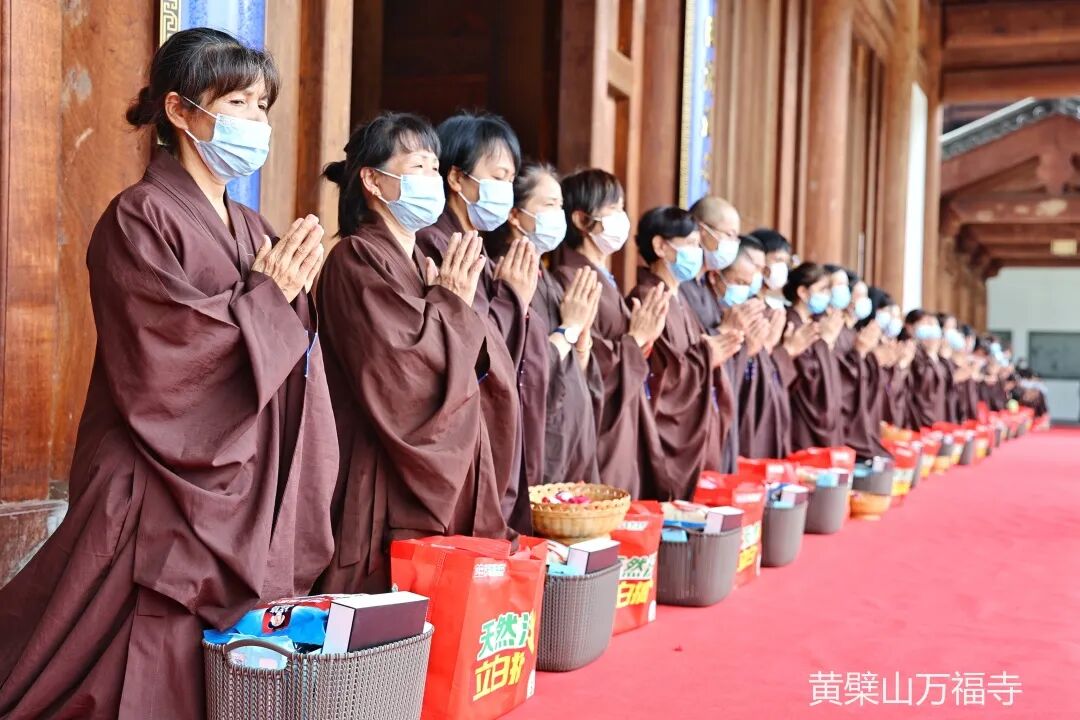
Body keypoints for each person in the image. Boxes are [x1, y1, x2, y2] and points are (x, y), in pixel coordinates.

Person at [0, 29, 337, 719]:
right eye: (238, 102)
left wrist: (281, 306)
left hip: (237, 480)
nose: (257, 123)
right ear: (181, 111)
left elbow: (290, 357)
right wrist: (267, 301)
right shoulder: (137, 218)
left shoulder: (253, 227)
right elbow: (168, 360)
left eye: (263, 106)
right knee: (129, 669)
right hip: (153, 482)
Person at [316, 112, 517, 593]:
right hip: (380, 471)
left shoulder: (423, 263)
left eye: (433, 168)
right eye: (417, 167)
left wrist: (450, 304)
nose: (431, 180)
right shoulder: (355, 258)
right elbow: (404, 377)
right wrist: (449, 304)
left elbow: (480, 365)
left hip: (425, 477)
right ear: (372, 179)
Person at [413, 110, 527, 522]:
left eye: (511, 180)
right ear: (457, 178)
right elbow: (468, 340)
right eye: (497, 176)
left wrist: (513, 295)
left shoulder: (476, 250)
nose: (506, 190)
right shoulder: (432, 241)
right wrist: (512, 299)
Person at [485, 163, 603, 501]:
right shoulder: (504, 276)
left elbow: (572, 371)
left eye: (561, 206)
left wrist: (580, 340)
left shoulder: (547, 280)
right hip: (540, 447)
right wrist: (568, 329)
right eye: (549, 205)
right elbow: (519, 368)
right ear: (515, 215)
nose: (559, 215)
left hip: (570, 445)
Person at [553, 169, 668, 498]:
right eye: (613, 209)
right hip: (599, 424)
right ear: (580, 219)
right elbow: (588, 362)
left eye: (622, 209)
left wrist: (641, 341)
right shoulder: (571, 278)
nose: (622, 218)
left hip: (621, 418)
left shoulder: (604, 278)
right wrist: (635, 342)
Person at [627, 207, 742, 498]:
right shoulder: (648, 297)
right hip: (669, 433)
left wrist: (709, 354)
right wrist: (706, 356)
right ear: (660, 246)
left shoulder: (678, 297)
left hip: (697, 426)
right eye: (689, 243)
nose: (697, 252)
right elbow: (659, 377)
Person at [783, 262, 846, 451]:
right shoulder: (791, 323)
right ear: (802, 292)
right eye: (823, 290)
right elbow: (807, 377)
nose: (828, 296)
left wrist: (827, 343)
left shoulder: (814, 324)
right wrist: (825, 342)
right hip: (800, 416)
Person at [902, 309, 948, 429]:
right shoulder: (909, 349)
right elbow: (923, 383)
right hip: (916, 413)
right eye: (925, 323)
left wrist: (933, 354)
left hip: (936, 411)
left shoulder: (932, 353)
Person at [751, 228, 794, 311]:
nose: (783, 267)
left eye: (786, 262)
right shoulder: (745, 303)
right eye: (778, 260)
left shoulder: (769, 307)